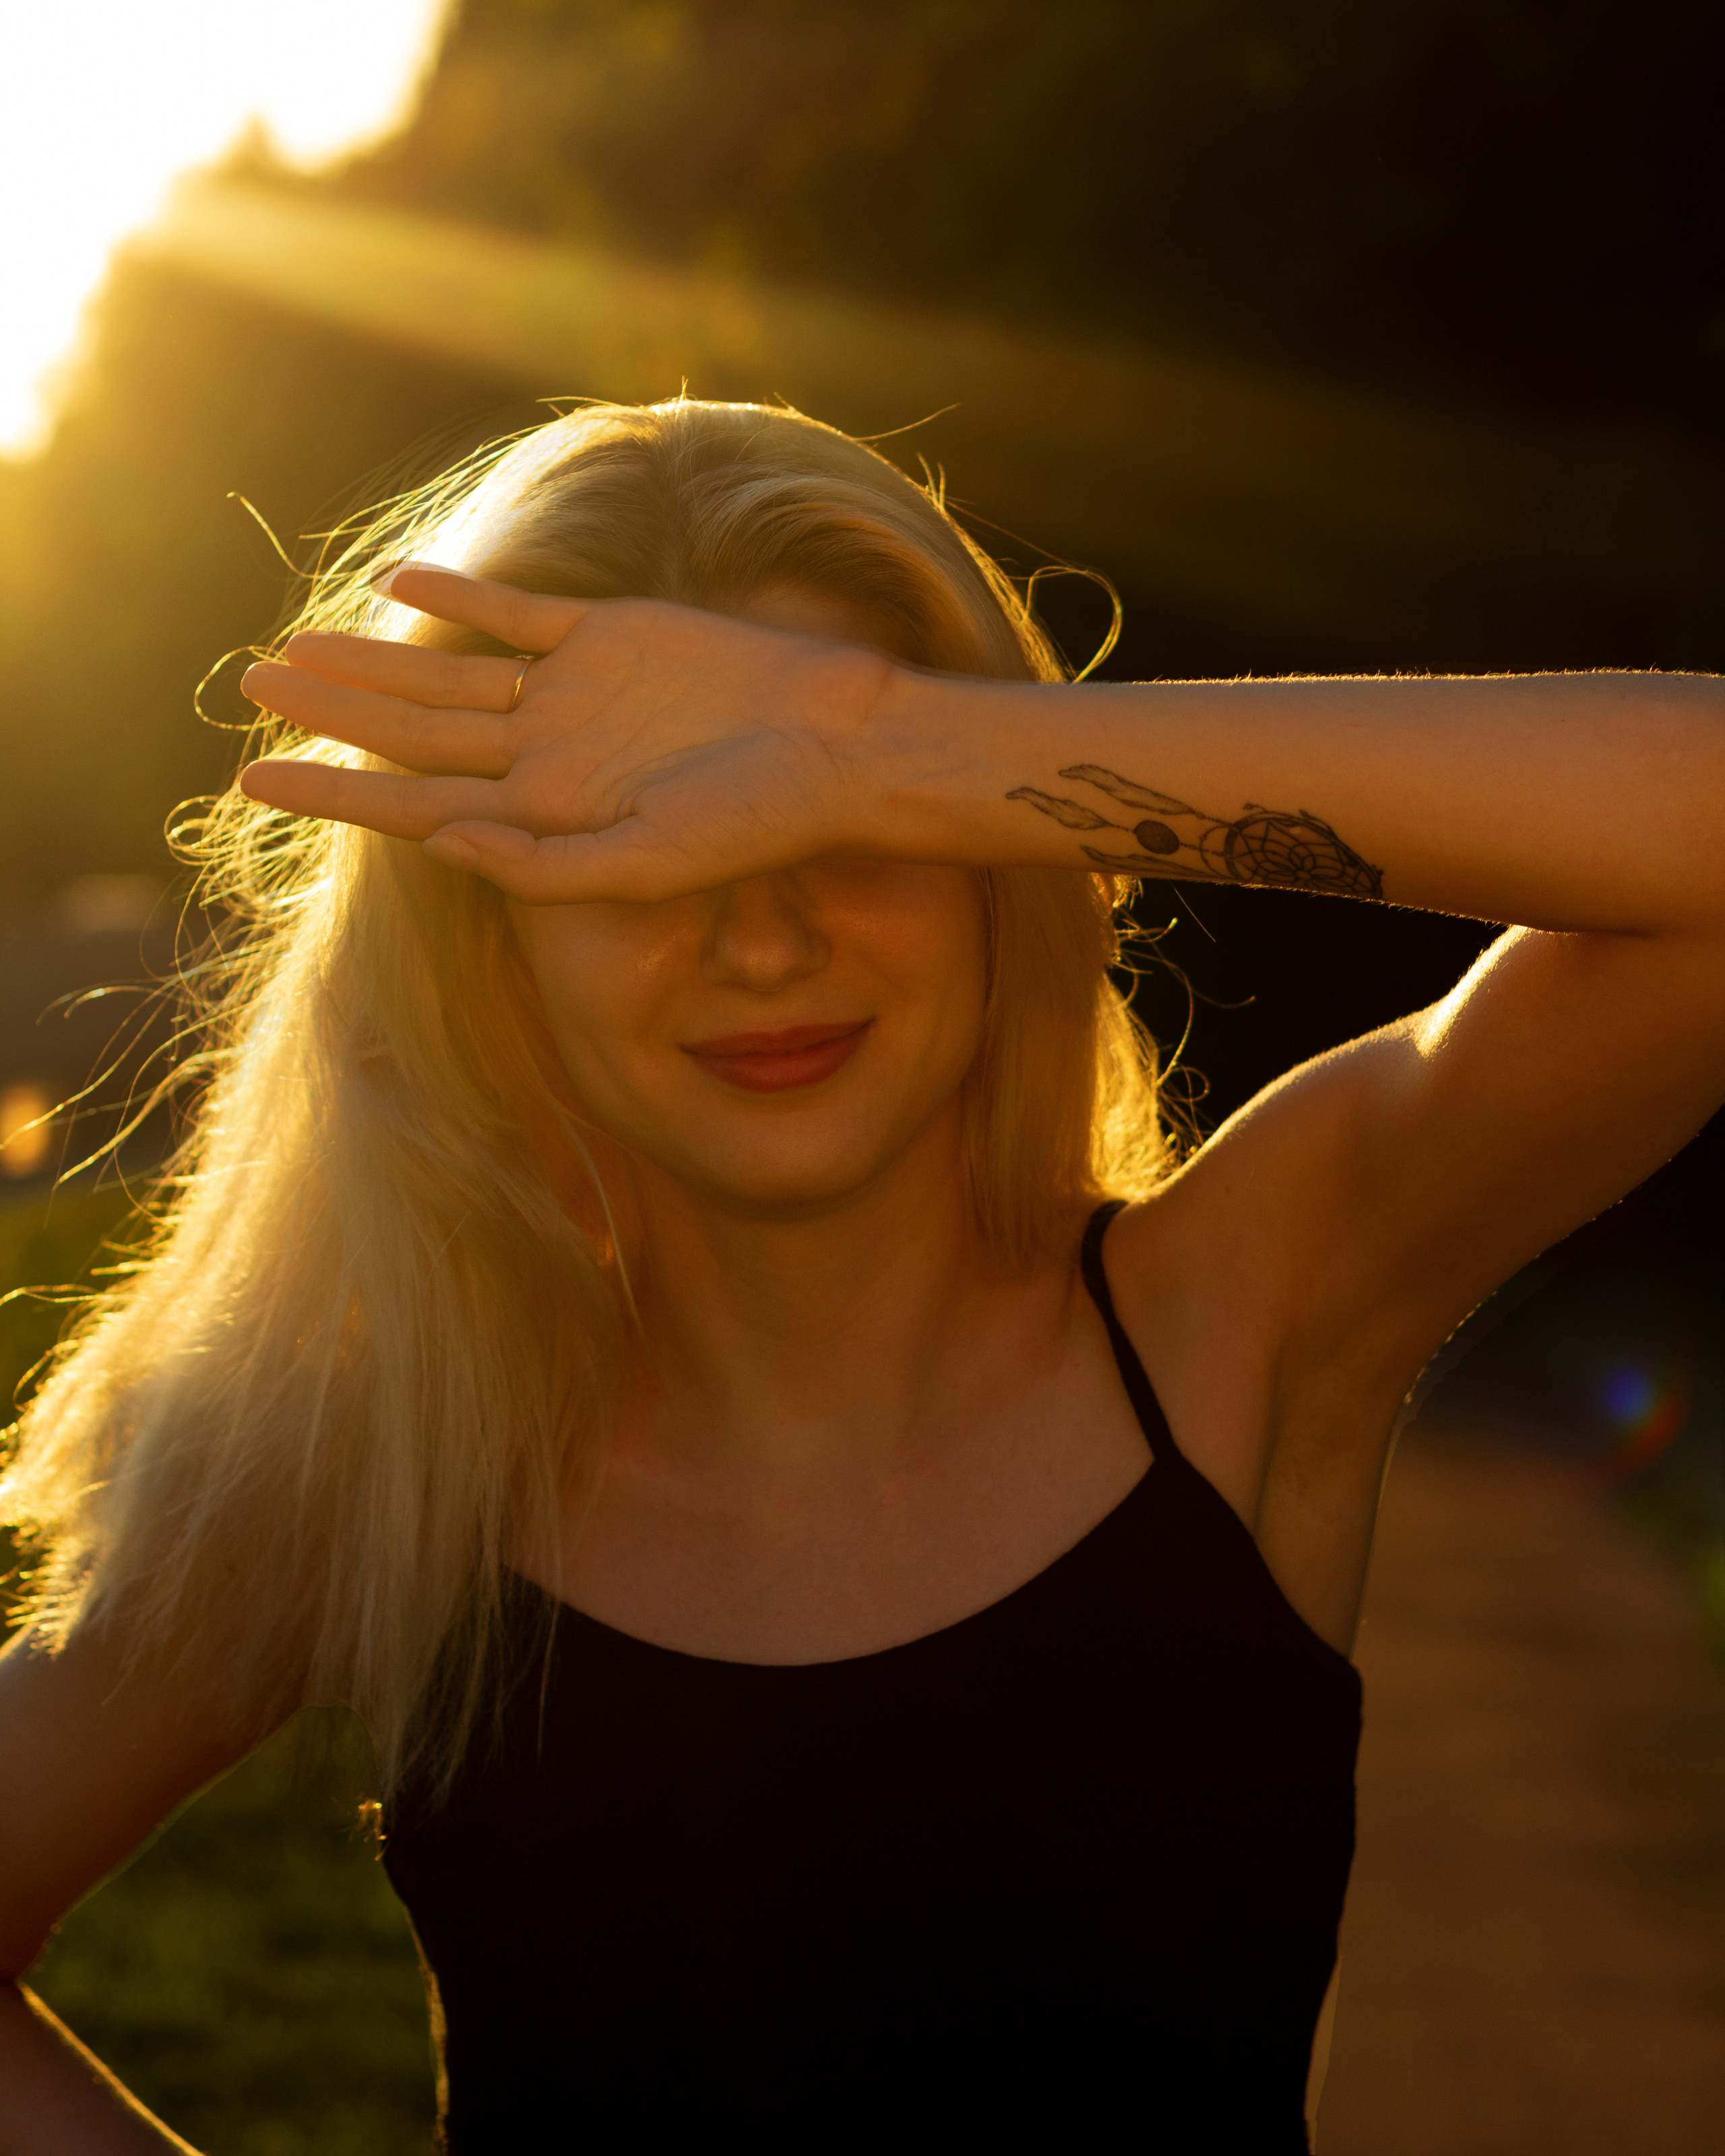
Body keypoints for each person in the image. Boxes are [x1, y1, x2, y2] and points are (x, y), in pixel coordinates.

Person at [1, 397, 1721, 2153]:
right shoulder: (418, 1455)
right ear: (485, 943)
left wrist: (887, 735)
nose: (763, 939)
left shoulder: (1239, 1313)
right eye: (632, 841)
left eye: (849, 833)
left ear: (990, 854)